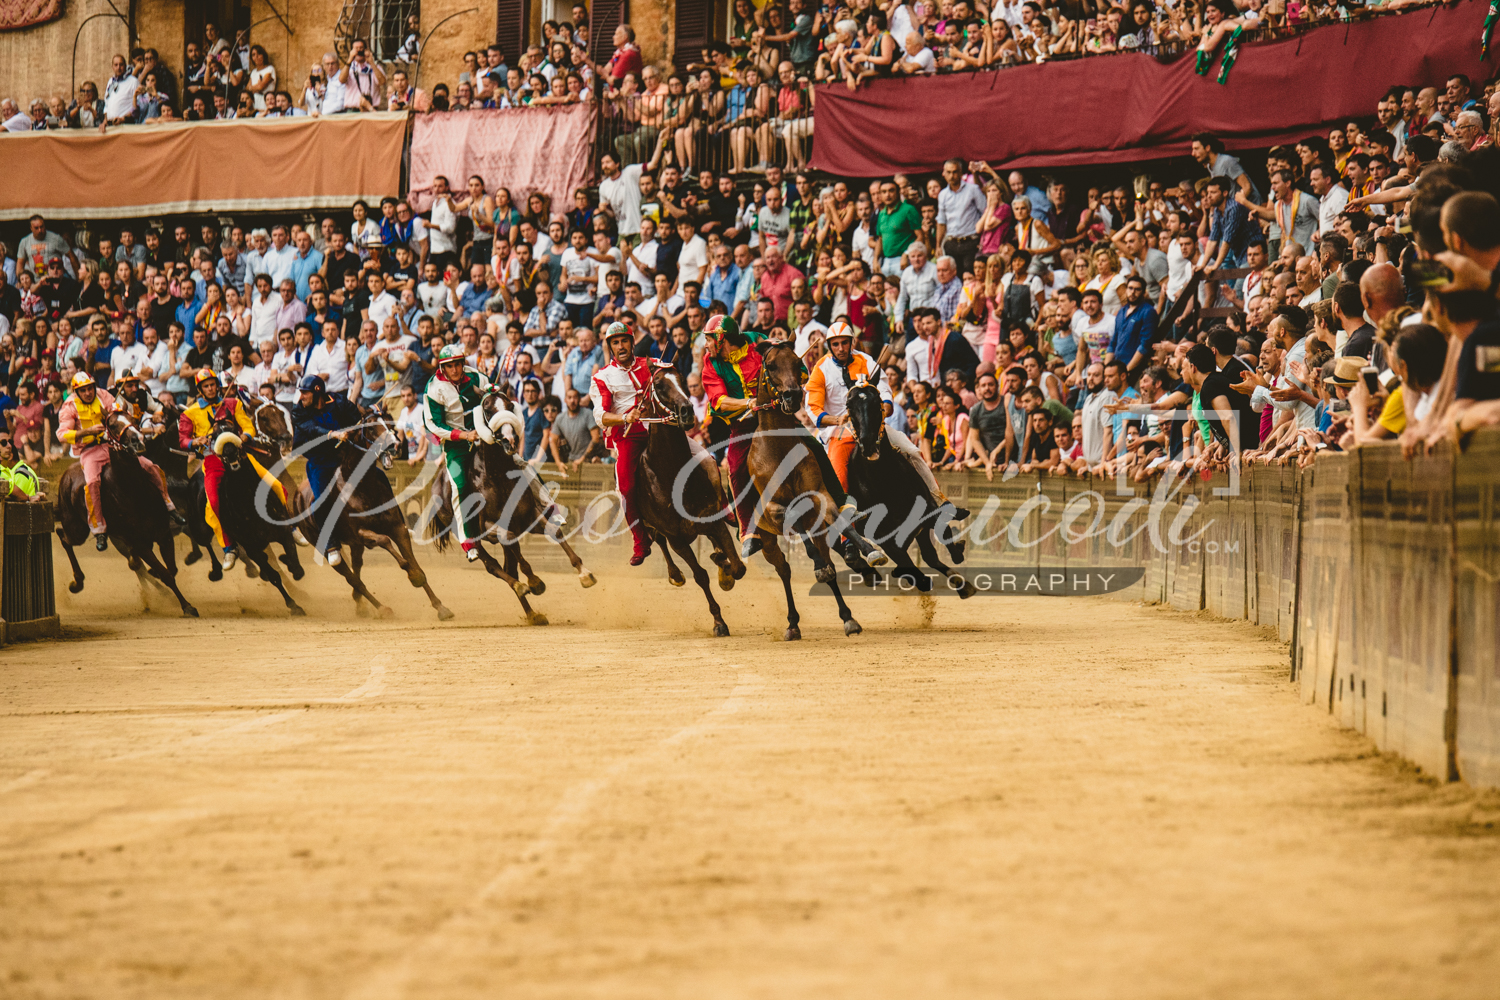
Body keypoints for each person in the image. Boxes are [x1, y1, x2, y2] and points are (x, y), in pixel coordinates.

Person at [58, 370, 181, 548]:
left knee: (152, 466)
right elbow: (62, 434)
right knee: (92, 483)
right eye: (83, 390)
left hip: (112, 445)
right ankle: (99, 529)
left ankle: (169, 505)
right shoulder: (69, 406)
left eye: (90, 388)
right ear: (77, 392)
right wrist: (87, 432)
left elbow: (118, 412)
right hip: (89, 450)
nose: (88, 393)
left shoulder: (104, 395)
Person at [178, 369, 285, 570]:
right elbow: (183, 440)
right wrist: (195, 441)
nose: (210, 389)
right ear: (200, 390)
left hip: (240, 455)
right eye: (206, 386)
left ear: (217, 385)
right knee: (213, 503)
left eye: (212, 384)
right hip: (212, 460)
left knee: (277, 485)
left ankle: (291, 526)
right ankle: (229, 547)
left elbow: (248, 428)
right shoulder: (189, 413)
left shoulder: (233, 404)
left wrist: (243, 437)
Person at [589, 320, 656, 566]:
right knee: (625, 488)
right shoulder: (602, 377)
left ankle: (722, 507)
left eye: (624, 341)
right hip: (628, 435)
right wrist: (625, 417)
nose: (621, 346)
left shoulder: (650, 364)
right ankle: (640, 540)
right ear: (610, 347)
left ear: (632, 342)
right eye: (615, 342)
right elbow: (601, 417)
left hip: (659, 426)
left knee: (701, 455)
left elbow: (670, 378)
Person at [422, 344, 491, 562]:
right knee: (459, 487)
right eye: (450, 366)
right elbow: (434, 425)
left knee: (516, 462)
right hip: (456, 447)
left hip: (484, 436)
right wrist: (463, 436)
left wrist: (494, 390)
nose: (455, 369)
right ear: (442, 367)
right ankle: (469, 542)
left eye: (458, 364)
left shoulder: (473, 375)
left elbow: (489, 387)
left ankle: (547, 507)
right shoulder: (433, 389)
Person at [290, 373, 364, 564]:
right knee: (320, 500)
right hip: (319, 460)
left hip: (344, 455)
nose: (301, 397)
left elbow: (356, 417)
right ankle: (331, 545)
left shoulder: (338, 401)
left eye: (305, 393)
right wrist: (334, 434)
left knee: (377, 476)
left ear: (317, 392)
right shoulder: (298, 411)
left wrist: (356, 426)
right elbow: (312, 429)